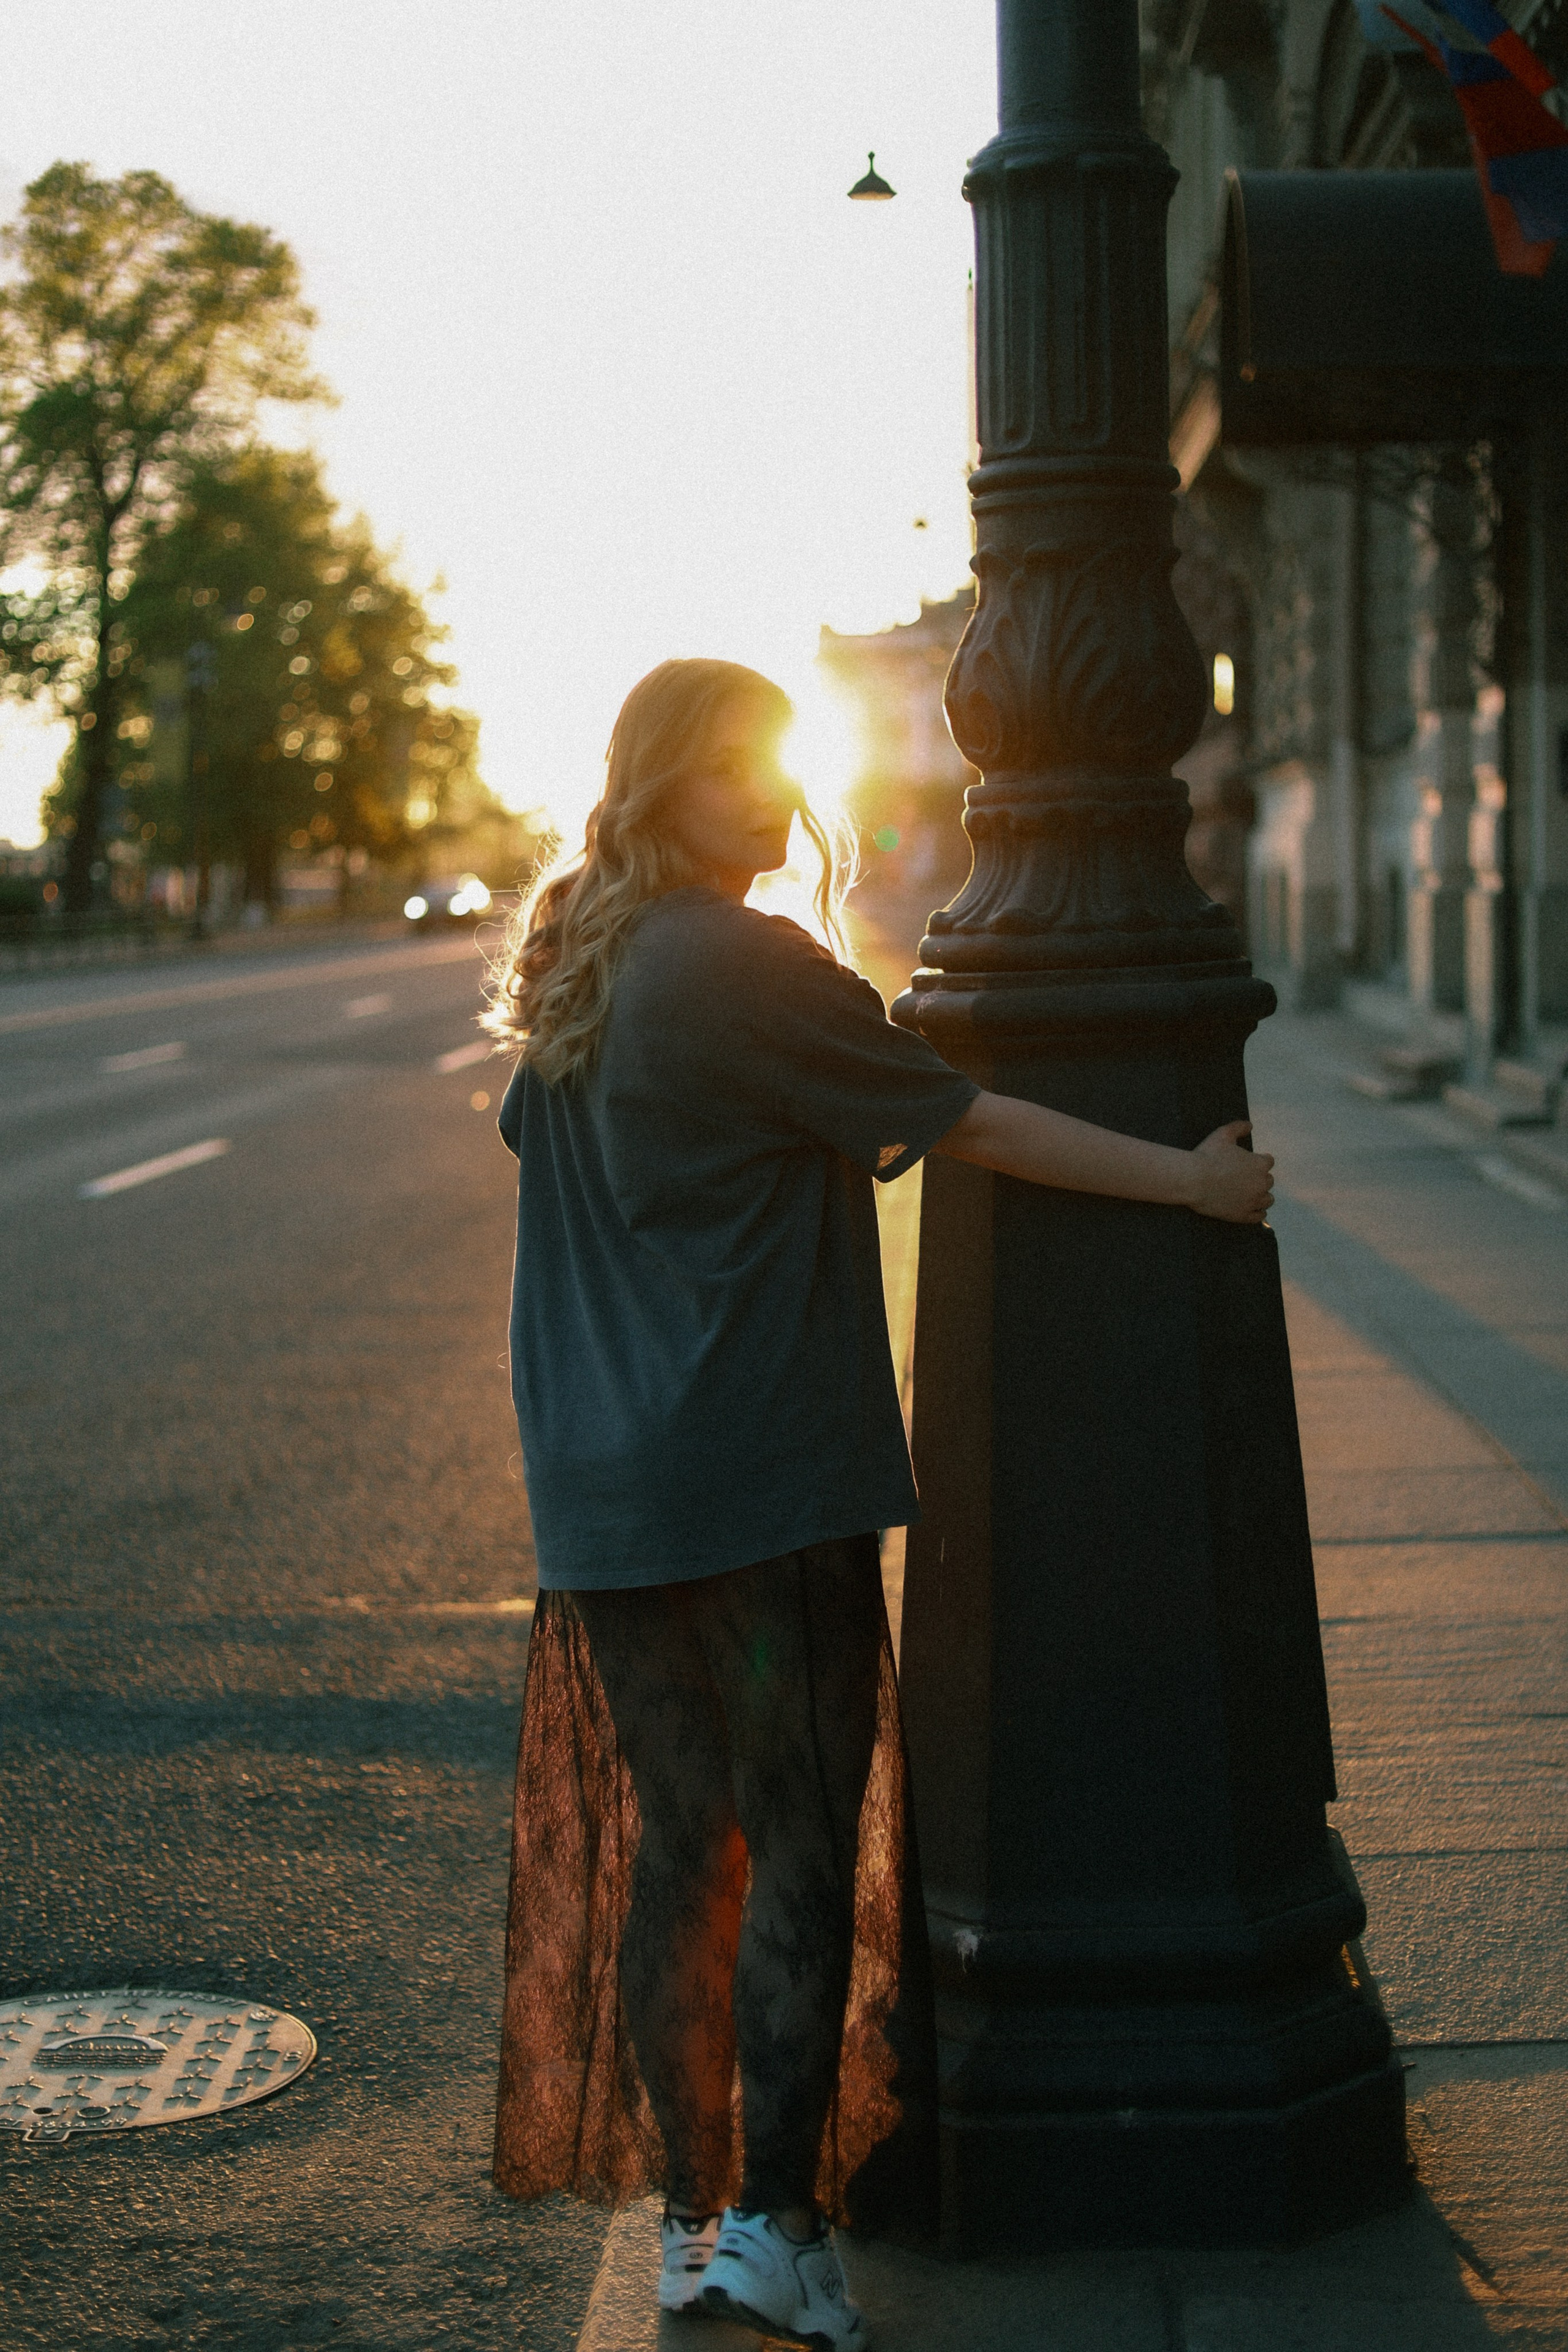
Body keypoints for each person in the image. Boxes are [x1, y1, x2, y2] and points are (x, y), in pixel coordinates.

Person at [483, 658, 1273, 2348]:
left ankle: (695, 2225)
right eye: (729, 774)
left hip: (609, 1497)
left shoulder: (575, 965)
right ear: (655, 786)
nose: (769, 799)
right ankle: (777, 2221)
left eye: (778, 765)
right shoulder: (741, 964)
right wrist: (1188, 1181)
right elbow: (968, 1119)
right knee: (798, 1845)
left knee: (687, 1846)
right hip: (759, 1487)